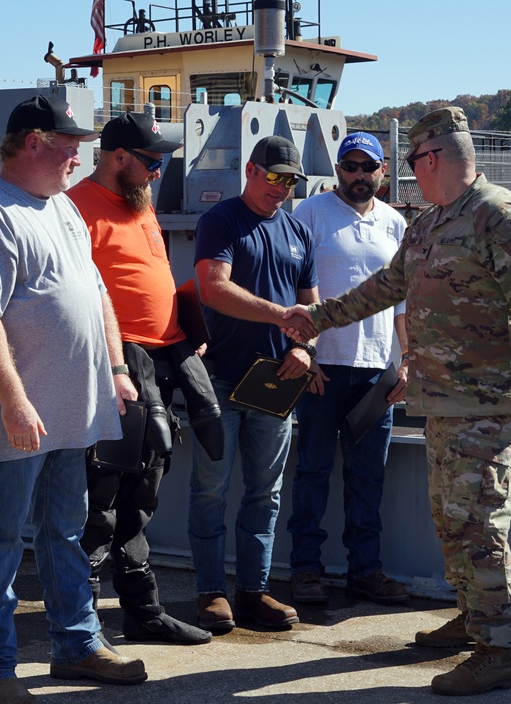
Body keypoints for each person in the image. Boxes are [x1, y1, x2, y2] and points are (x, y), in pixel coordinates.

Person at [283, 106, 511, 696]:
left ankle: (498, 651)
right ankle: (472, 616)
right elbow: (387, 287)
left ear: (432, 158)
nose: (408, 174)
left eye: (412, 161)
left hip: (489, 407)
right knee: (451, 520)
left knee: (480, 526)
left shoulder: (498, 216)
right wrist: (316, 319)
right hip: (443, 404)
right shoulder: (430, 224)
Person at [0, 95, 147, 704]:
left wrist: (115, 366)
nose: (78, 156)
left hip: (73, 409)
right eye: (69, 145)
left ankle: (78, 645)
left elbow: (95, 295)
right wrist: (12, 399)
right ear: (34, 142)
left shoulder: (61, 207)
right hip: (20, 417)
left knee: (66, 532)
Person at [66, 111, 216, 647]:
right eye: (151, 161)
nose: (158, 171)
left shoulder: (141, 203)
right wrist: (115, 366)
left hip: (161, 364)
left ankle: (143, 613)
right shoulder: (77, 208)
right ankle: (81, 625)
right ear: (119, 156)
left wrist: (184, 326)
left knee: (143, 493)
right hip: (115, 367)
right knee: (101, 497)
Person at [189, 135, 319, 633]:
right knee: (210, 492)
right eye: (274, 177)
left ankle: (253, 591)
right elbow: (213, 288)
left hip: (275, 381)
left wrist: (304, 347)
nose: (281, 188)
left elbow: (310, 303)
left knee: (265, 494)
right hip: (221, 377)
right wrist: (282, 315)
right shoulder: (221, 220)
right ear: (250, 170)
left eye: (290, 181)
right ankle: (210, 592)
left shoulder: (297, 232)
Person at [286, 132, 410, 605]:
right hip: (323, 368)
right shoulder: (310, 215)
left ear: (382, 171)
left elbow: (404, 302)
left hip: (376, 371)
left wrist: (406, 361)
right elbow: (293, 289)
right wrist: (306, 353)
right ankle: (305, 570)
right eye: (350, 166)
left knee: (367, 476)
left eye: (368, 167)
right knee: (312, 472)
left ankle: (366, 570)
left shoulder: (396, 224)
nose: (359, 175)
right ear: (338, 170)